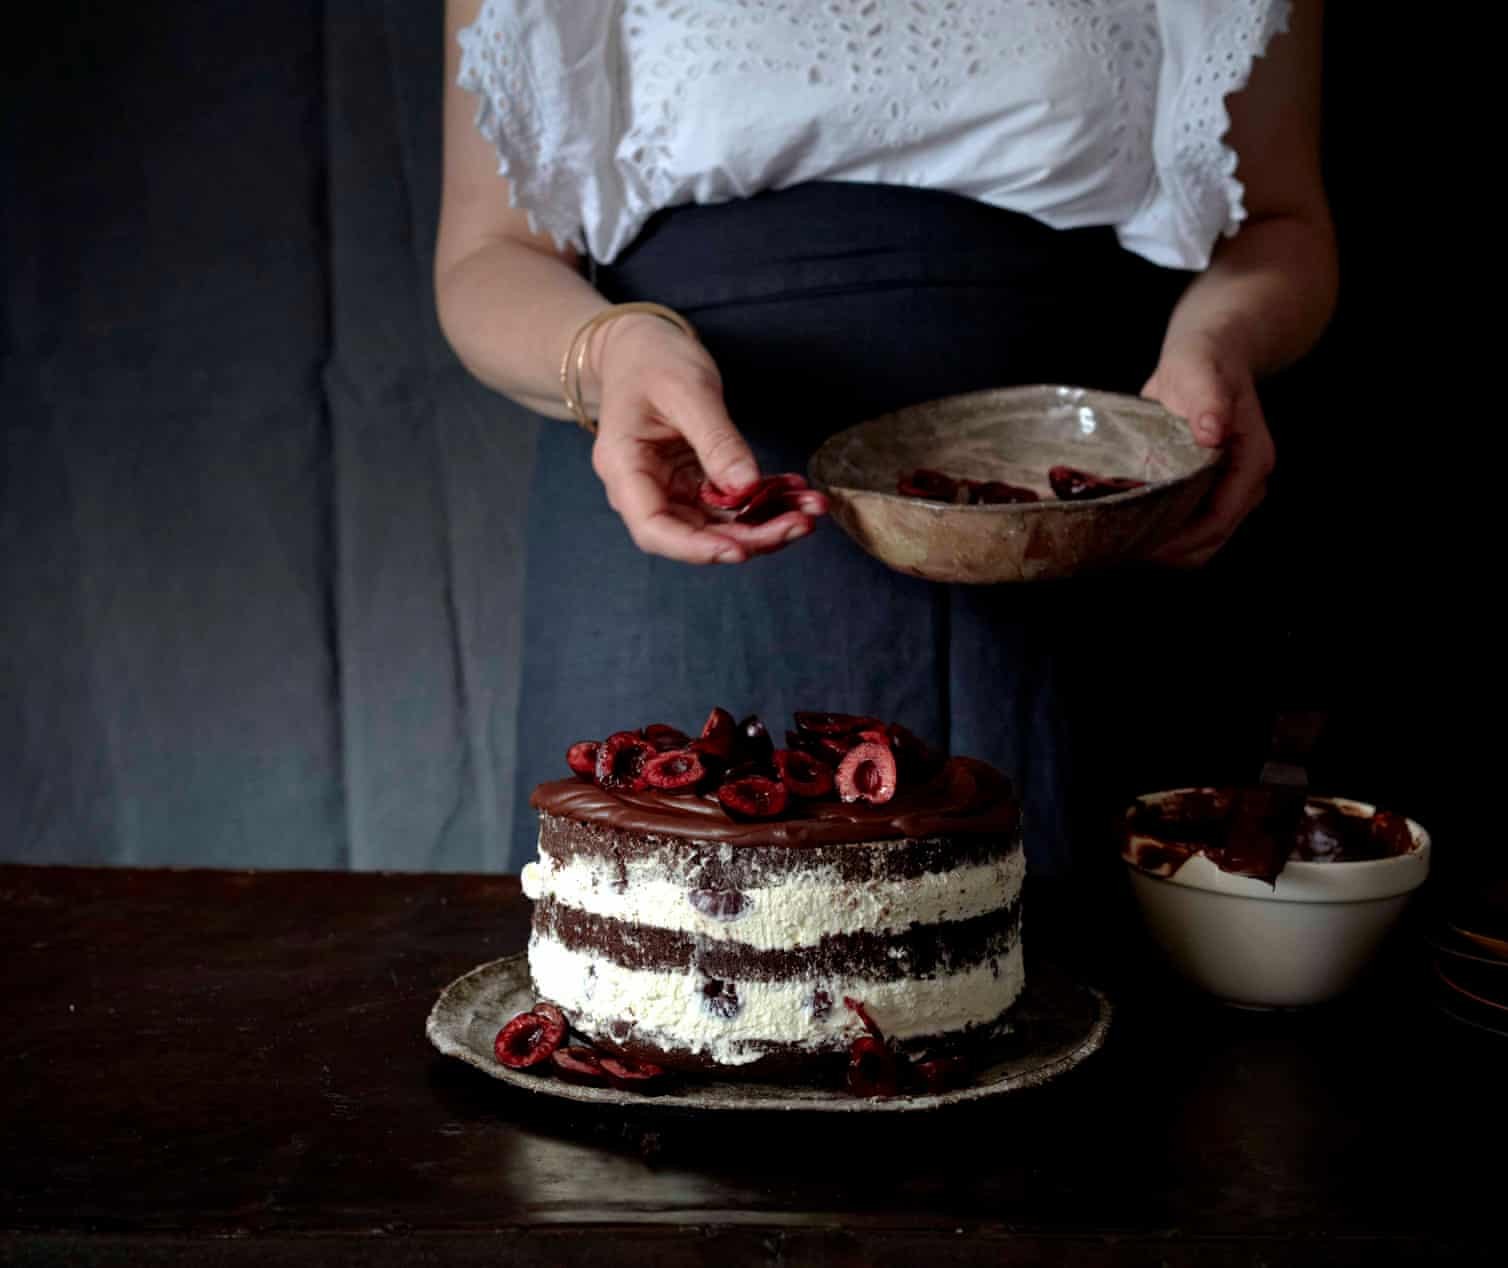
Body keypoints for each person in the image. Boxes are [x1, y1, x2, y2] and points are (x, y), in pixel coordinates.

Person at [435, 0, 1337, 875]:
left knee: (1117, 986)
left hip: (1090, 524)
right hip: (691, 509)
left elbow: (1281, 225)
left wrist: (1222, 342)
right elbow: (488, 256)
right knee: (672, 977)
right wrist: (609, 352)